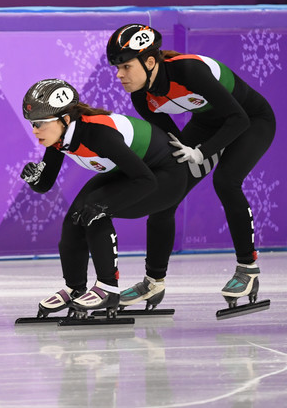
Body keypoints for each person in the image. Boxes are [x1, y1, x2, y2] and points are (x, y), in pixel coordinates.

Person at [107, 24, 275, 313]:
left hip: (252, 119)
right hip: (208, 124)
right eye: (116, 67)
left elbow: (238, 119)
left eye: (125, 66)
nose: (119, 75)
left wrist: (203, 152)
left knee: (226, 180)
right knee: (165, 193)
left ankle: (247, 270)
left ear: (149, 62)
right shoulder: (140, 96)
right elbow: (172, 140)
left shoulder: (188, 71)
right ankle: (154, 281)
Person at [19, 79, 189, 319]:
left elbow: (146, 181)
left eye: (40, 124)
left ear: (65, 119)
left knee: (94, 209)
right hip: (134, 172)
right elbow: (44, 184)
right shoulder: (59, 138)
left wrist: (103, 205)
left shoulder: (97, 133)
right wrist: (33, 178)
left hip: (165, 177)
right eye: (32, 124)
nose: (35, 130)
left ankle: (108, 289)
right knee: (74, 217)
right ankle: (75, 288)